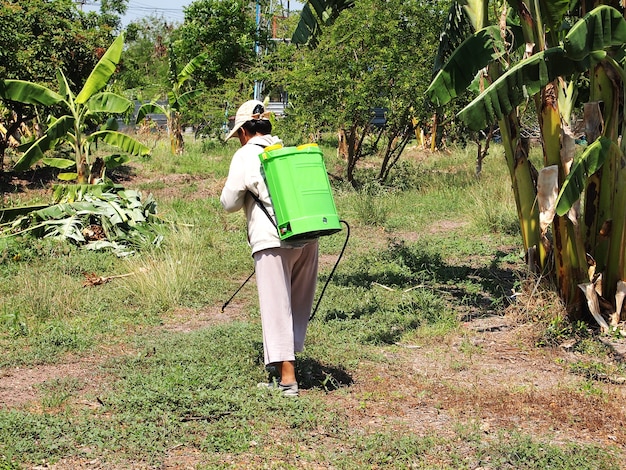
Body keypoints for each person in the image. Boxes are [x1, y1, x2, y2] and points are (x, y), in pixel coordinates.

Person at [220, 100, 319, 397]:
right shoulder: (285, 150)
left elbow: (228, 203)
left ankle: (288, 380)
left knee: (276, 307)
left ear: (244, 132)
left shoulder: (245, 155)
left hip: (272, 240)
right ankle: (286, 366)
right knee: (295, 305)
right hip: (308, 235)